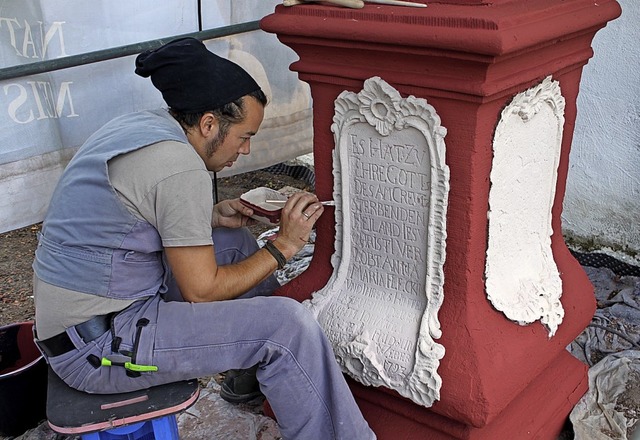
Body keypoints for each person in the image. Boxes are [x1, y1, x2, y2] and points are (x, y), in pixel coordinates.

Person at [32, 37, 375, 440]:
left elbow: (126, 216)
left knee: (236, 246)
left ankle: (252, 379)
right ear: (209, 123)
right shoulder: (178, 166)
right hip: (100, 349)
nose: (245, 150)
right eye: (244, 136)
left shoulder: (145, 126)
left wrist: (208, 215)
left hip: (84, 316)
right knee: (286, 327)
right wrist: (285, 245)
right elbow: (202, 290)